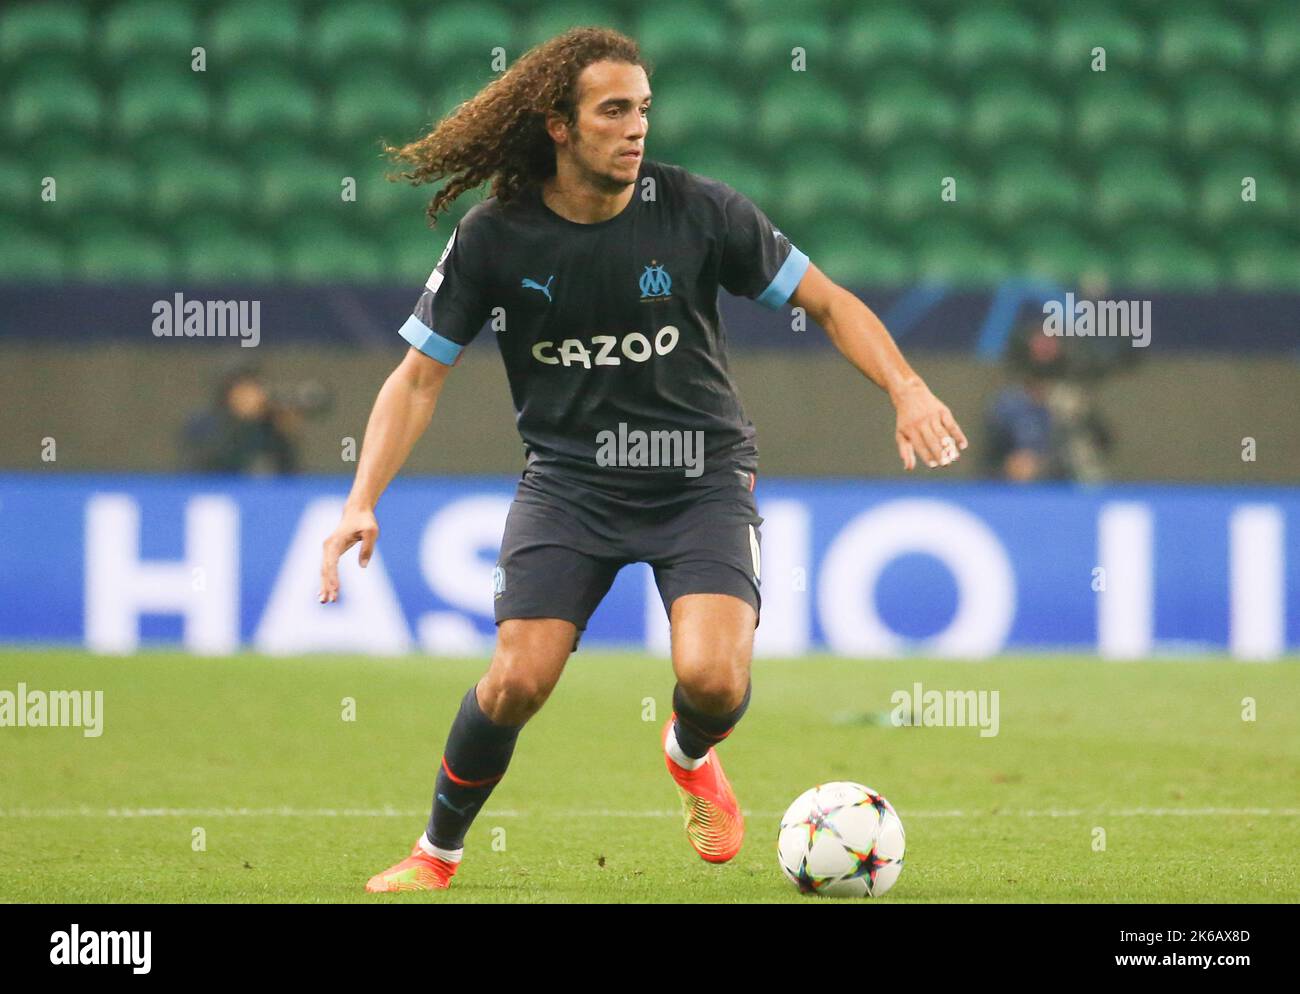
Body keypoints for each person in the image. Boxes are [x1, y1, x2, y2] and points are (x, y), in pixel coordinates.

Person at [318, 27, 967, 893]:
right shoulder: (494, 238)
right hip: (569, 483)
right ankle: (436, 855)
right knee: (515, 681)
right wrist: (363, 496)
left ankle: (690, 752)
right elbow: (417, 378)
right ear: (558, 124)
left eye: (645, 110)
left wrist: (908, 387)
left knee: (711, 675)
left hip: (699, 474)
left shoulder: (701, 212)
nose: (636, 129)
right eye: (613, 110)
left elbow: (829, 301)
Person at [180, 363, 301, 475]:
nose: (251, 397)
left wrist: (284, 433)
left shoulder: (268, 426)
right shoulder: (204, 423)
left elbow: (288, 472)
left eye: (255, 389)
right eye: (243, 390)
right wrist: (242, 423)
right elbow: (204, 464)